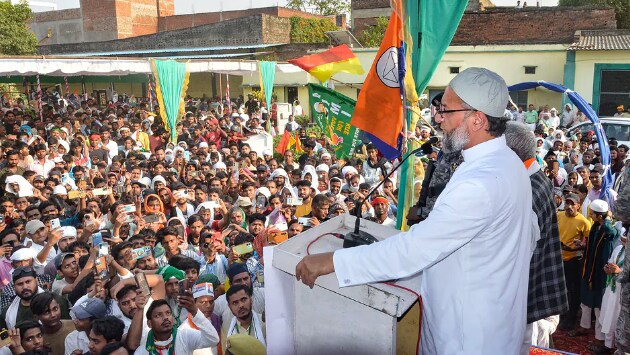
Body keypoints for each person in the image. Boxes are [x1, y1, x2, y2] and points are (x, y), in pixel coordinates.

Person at [296, 67, 536, 353]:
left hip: (467, 335)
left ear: (477, 119)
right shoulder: (506, 162)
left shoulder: (481, 181)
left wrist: (333, 261)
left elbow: (414, 252)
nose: (437, 118)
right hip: (490, 322)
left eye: (445, 110)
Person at [504, 121, 568, 350]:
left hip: (521, 299)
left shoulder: (527, 189)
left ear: (512, 154)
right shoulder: (530, 178)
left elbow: (517, 253)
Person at [574, 200, 618, 344]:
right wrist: (583, 245)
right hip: (589, 270)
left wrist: (606, 220)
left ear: (599, 216)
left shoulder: (609, 229)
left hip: (600, 275)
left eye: (592, 213)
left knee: (599, 307)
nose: (590, 215)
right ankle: (584, 326)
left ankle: (599, 338)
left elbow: (612, 233)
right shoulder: (596, 227)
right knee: (585, 302)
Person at [556, 193, 591, 330]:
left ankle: (571, 318)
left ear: (578, 205)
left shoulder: (584, 222)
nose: (569, 206)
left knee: (573, 291)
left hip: (573, 261)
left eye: (572, 204)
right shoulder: (559, 216)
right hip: (559, 260)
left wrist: (577, 247)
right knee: (561, 289)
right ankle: (561, 315)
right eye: (567, 203)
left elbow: (588, 243)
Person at [221, 284, 266, 350]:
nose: (241, 305)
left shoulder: (264, 323)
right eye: (235, 303)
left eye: (243, 299)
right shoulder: (226, 327)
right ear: (229, 307)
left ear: (251, 300)